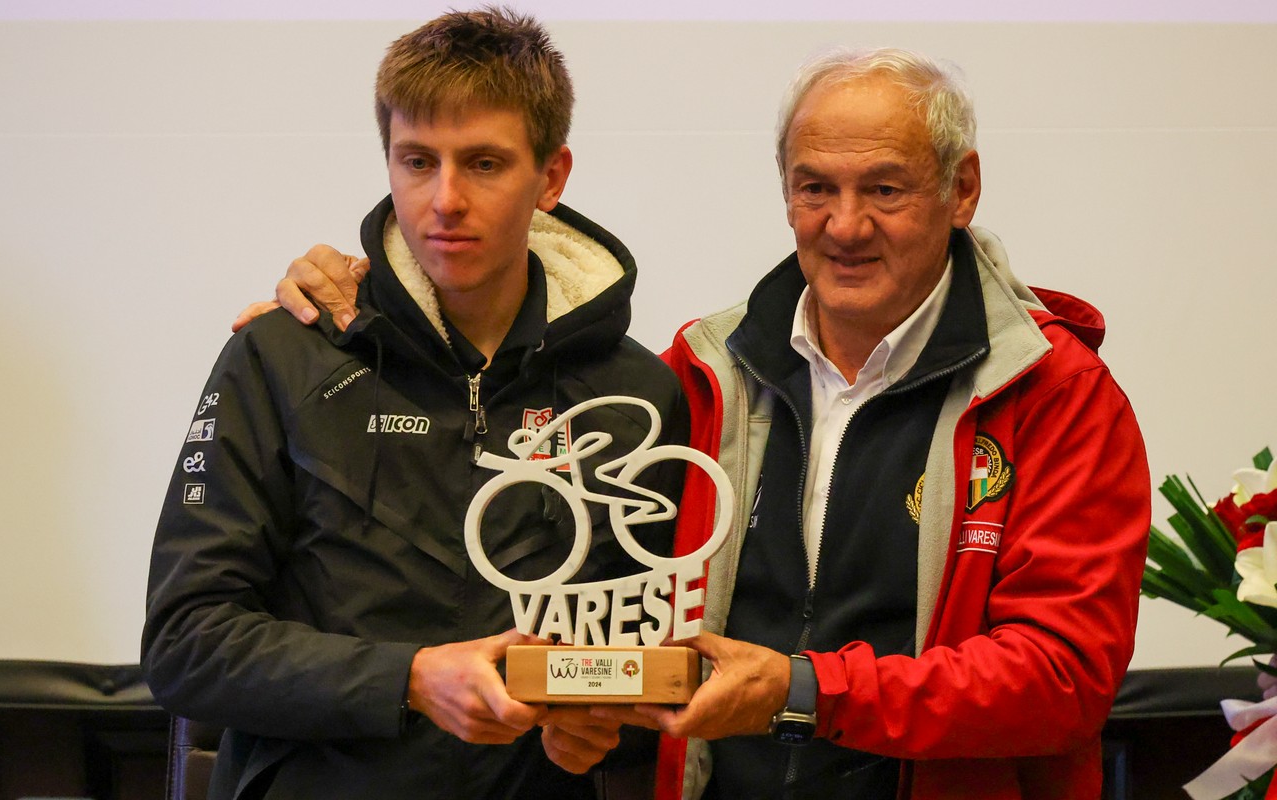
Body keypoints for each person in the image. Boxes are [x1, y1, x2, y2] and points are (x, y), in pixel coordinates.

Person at [248, 47, 1151, 800]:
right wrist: (355, 312)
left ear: (962, 189)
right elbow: (605, 601)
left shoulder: (1055, 394)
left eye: (885, 189)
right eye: (814, 188)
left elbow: (1063, 679)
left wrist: (802, 693)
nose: (845, 226)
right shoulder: (702, 373)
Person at [142, 8, 686, 799]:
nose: (445, 199)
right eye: (418, 161)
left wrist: (600, 729)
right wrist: (410, 680)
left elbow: (648, 653)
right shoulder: (283, 355)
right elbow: (186, 646)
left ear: (552, 177)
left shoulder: (636, 394)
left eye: (485, 163)